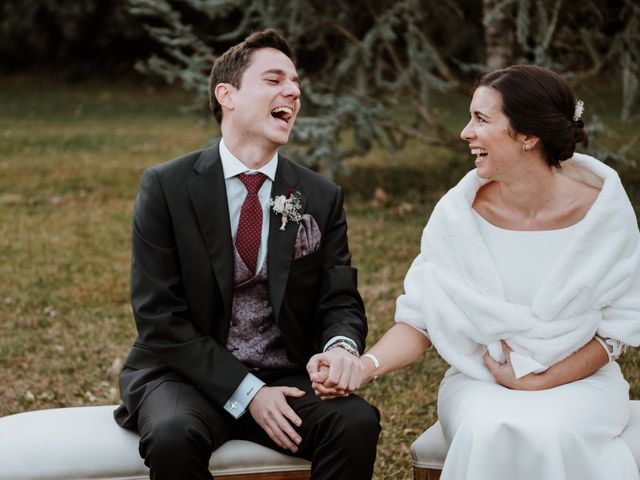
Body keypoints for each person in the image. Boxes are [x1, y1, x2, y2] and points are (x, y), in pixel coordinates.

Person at [309, 65, 640, 479]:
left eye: (481, 120)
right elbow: (421, 320)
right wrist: (365, 365)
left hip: (579, 383)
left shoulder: (602, 213)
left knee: (553, 431)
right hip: (483, 382)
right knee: (489, 428)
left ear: (528, 136)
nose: (465, 132)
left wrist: (542, 380)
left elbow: (613, 332)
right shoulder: (458, 217)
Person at [113, 29, 380, 480]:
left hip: (287, 375)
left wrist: (340, 349)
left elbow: (339, 299)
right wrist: (249, 392)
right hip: (185, 375)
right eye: (274, 80)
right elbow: (159, 316)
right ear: (227, 95)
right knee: (173, 434)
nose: (293, 92)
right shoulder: (167, 187)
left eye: (295, 84)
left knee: (355, 422)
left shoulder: (319, 195)